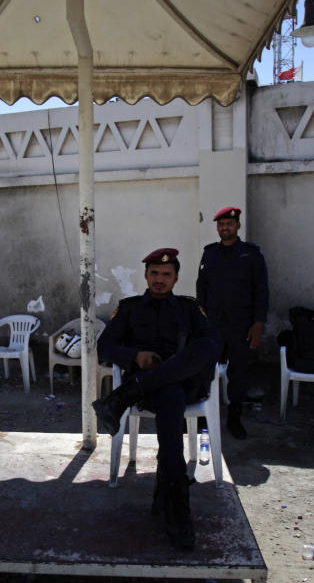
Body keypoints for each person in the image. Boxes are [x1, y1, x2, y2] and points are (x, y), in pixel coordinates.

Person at [92, 247, 221, 549]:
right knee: (169, 394)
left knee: (205, 347)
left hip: (178, 385)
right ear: (146, 275)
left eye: (166, 275)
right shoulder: (130, 309)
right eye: (154, 274)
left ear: (176, 278)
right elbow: (105, 348)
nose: (160, 280)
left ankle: (122, 397)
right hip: (156, 392)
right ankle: (178, 515)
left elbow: (213, 346)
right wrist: (136, 355)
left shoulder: (190, 309)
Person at [197, 207, 269, 439]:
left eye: (229, 224)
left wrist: (258, 324)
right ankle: (201, 415)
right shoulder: (210, 253)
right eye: (220, 225)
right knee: (204, 368)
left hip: (241, 325)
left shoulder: (251, 254)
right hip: (214, 324)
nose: (224, 228)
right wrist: (200, 319)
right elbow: (202, 288)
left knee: (239, 372)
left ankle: (234, 418)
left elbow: (261, 291)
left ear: (238, 226)